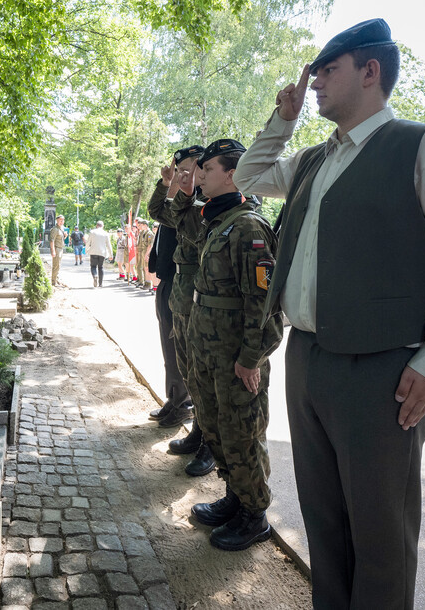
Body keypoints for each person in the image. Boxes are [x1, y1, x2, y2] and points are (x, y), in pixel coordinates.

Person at [235, 18, 425, 607]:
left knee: (381, 538)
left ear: (370, 71)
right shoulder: (313, 159)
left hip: (381, 371)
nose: (313, 84)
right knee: (324, 525)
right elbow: (249, 176)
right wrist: (281, 122)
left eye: (327, 70)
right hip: (309, 358)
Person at [179, 139, 283, 551]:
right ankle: (235, 497)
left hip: (236, 358)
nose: (200, 176)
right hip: (208, 350)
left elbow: (264, 303)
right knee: (215, 426)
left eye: (207, 169)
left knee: (242, 433)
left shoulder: (249, 227)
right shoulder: (217, 221)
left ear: (232, 174)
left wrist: (251, 359)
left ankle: (254, 515)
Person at [147, 146, 204, 439]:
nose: (182, 173)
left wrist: (179, 191)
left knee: (192, 360)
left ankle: (189, 411)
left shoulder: (204, 203)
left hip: (193, 289)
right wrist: (166, 183)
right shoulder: (182, 199)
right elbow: (157, 211)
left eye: (188, 168)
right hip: (171, 282)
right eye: (179, 168)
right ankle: (176, 398)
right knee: (174, 352)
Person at [85, 220, 114, 287]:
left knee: (93, 266)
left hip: (93, 252)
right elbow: (109, 245)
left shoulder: (92, 232)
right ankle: (100, 283)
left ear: (96, 225)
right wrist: (111, 254)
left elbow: (88, 242)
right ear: (102, 226)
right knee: (100, 267)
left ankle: (95, 275)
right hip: (102, 252)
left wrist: (87, 250)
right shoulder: (105, 233)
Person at [135, 218, 154, 289]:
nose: (140, 226)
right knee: (145, 268)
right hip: (143, 253)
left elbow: (150, 245)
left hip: (147, 254)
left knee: (147, 269)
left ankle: (148, 284)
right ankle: (146, 283)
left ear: (145, 225)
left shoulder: (149, 234)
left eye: (142, 225)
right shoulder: (144, 233)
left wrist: (146, 255)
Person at [49, 214, 67, 288]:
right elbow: (51, 241)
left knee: (58, 265)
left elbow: (61, 239)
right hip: (57, 249)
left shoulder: (61, 229)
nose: (61, 222)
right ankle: (53, 282)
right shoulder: (55, 229)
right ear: (57, 220)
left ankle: (56, 280)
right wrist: (53, 251)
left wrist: (65, 236)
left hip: (61, 248)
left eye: (62, 220)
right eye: (60, 220)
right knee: (56, 266)